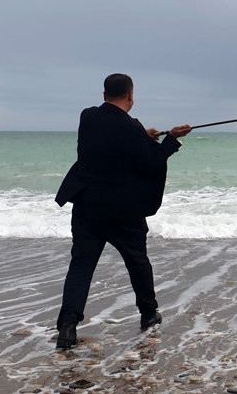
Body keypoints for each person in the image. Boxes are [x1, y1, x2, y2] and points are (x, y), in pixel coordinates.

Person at [53, 73, 192, 350]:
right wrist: (171, 140)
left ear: (104, 94)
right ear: (131, 95)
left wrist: (143, 137)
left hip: (87, 207)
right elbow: (150, 164)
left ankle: (67, 327)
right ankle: (148, 314)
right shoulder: (131, 128)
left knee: (81, 267)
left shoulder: (87, 117)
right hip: (123, 212)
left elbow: (113, 141)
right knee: (137, 262)